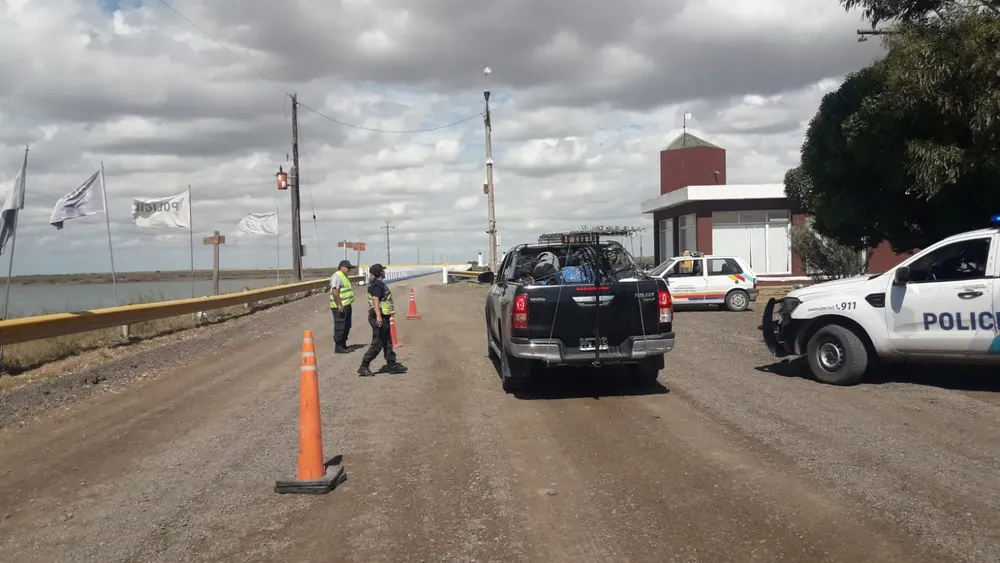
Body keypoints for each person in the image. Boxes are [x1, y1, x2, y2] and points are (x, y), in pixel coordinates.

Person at [358, 263, 408, 377]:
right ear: (380, 273)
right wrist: (379, 316)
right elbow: (376, 300)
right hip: (378, 316)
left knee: (387, 341)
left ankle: (392, 364)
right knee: (378, 343)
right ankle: (364, 366)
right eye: (383, 271)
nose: (384, 272)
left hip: (382, 316)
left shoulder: (377, 284)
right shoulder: (377, 285)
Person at [330, 259, 355, 353]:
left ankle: (343, 345)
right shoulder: (337, 276)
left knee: (347, 325)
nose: (349, 270)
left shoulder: (344, 276)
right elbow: (335, 291)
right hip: (339, 307)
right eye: (348, 268)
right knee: (340, 326)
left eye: (350, 268)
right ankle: (338, 346)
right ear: (341, 267)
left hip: (347, 305)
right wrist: (340, 305)